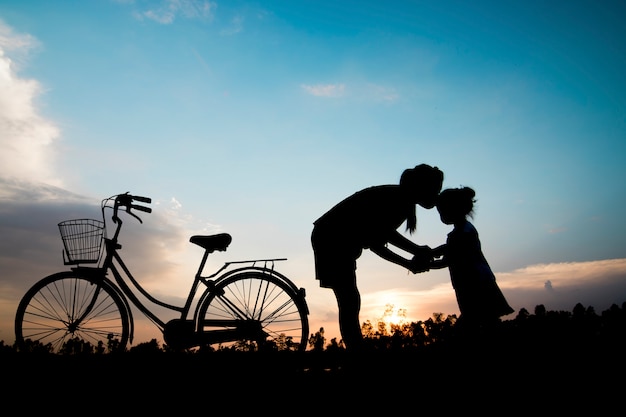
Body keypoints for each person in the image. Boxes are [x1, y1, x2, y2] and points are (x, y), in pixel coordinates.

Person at [311, 164, 444, 351]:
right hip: (331, 238)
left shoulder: (400, 199)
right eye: (435, 189)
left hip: (331, 236)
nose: (437, 194)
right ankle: (357, 353)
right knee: (349, 299)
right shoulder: (399, 202)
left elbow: (382, 237)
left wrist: (415, 253)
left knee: (350, 300)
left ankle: (356, 351)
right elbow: (378, 241)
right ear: (422, 188)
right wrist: (412, 257)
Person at [430, 186, 514, 332]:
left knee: (476, 321)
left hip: (475, 283)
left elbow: (448, 258)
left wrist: (426, 262)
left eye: (443, 211)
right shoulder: (463, 231)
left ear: (455, 209)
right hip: (472, 282)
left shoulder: (462, 234)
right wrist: (430, 254)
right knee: (484, 321)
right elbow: (449, 250)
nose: (441, 216)